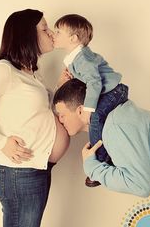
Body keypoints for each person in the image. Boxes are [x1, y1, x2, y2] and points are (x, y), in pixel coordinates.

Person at [0, 9, 70, 227]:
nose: (50, 34)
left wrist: (57, 88)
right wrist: (1, 143)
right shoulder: (4, 71)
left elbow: (35, 114)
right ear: (27, 34)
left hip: (35, 169)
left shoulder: (28, 71)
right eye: (45, 29)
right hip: (18, 173)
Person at [53, 79, 150, 227]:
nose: (59, 120)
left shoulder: (116, 125)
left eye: (62, 114)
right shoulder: (116, 118)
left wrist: (92, 167)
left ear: (80, 110)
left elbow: (140, 185)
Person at [53, 14, 128, 187]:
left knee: (95, 121)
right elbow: (88, 78)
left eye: (58, 32)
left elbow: (95, 82)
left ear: (73, 38)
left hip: (113, 91)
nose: (53, 35)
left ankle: (99, 164)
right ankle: (108, 157)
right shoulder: (76, 57)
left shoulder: (81, 58)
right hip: (111, 91)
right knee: (100, 122)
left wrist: (88, 108)